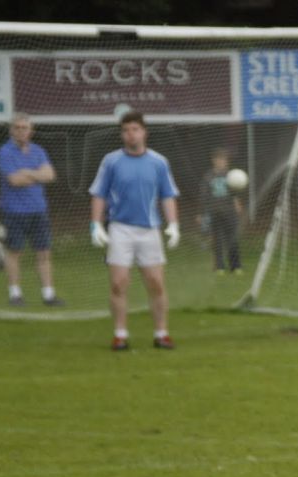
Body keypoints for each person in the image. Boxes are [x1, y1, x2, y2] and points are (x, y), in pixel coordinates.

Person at [88, 110, 180, 351]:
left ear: (144, 132)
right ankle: (120, 334)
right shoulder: (111, 161)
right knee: (119, 283)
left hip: (150, 230)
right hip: (120, 229)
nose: (131, 134)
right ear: (122, 134)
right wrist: (96, 224)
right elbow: (99, 194)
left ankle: (161, 333)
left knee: (156, 283)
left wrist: (174, 225)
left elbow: (168, 195)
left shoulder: (159, 162)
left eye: (135, 129)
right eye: (126, 130)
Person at [0, 113, 62, 307]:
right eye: (17, 127)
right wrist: (37, 175)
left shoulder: (38, 151)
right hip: (13, 211)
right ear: (11, 130)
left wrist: (27, 172)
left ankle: (48, 295)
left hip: (38, 209)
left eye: (25, 128)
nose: (21, 131)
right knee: (14, 252)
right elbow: (14, 180)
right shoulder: (4, 151)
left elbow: (50, 175)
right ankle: (15, 294)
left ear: (31, 131)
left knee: (43, 253)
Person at [200, 148, 242, 274]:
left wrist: (237, 203)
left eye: (224, 160)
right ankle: (219, 267)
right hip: (215, 212)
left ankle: (236, 267)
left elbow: (234, 192)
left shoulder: (231, 175)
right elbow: (204, 195)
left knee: (233, 240)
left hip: (229, 212)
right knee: (217, 240)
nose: (222, 162)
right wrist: (201, 213)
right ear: (214, 161)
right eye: (219, 160)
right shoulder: (208, 177)